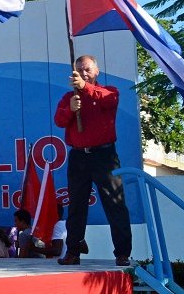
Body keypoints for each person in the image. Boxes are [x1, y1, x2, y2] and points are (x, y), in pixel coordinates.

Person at [54, 55, 131, 267]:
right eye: (79, 70)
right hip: (78, 156)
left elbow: (110, 100)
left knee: (114, 203)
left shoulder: (108, 91)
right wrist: (70, 108)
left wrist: (86, 89)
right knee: (76, 206)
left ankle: (123, 253)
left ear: (96, 71)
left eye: (87, 69)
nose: (84, 73)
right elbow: (59, 121)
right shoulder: (69, 98)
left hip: (104, 156)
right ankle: (73, 251)